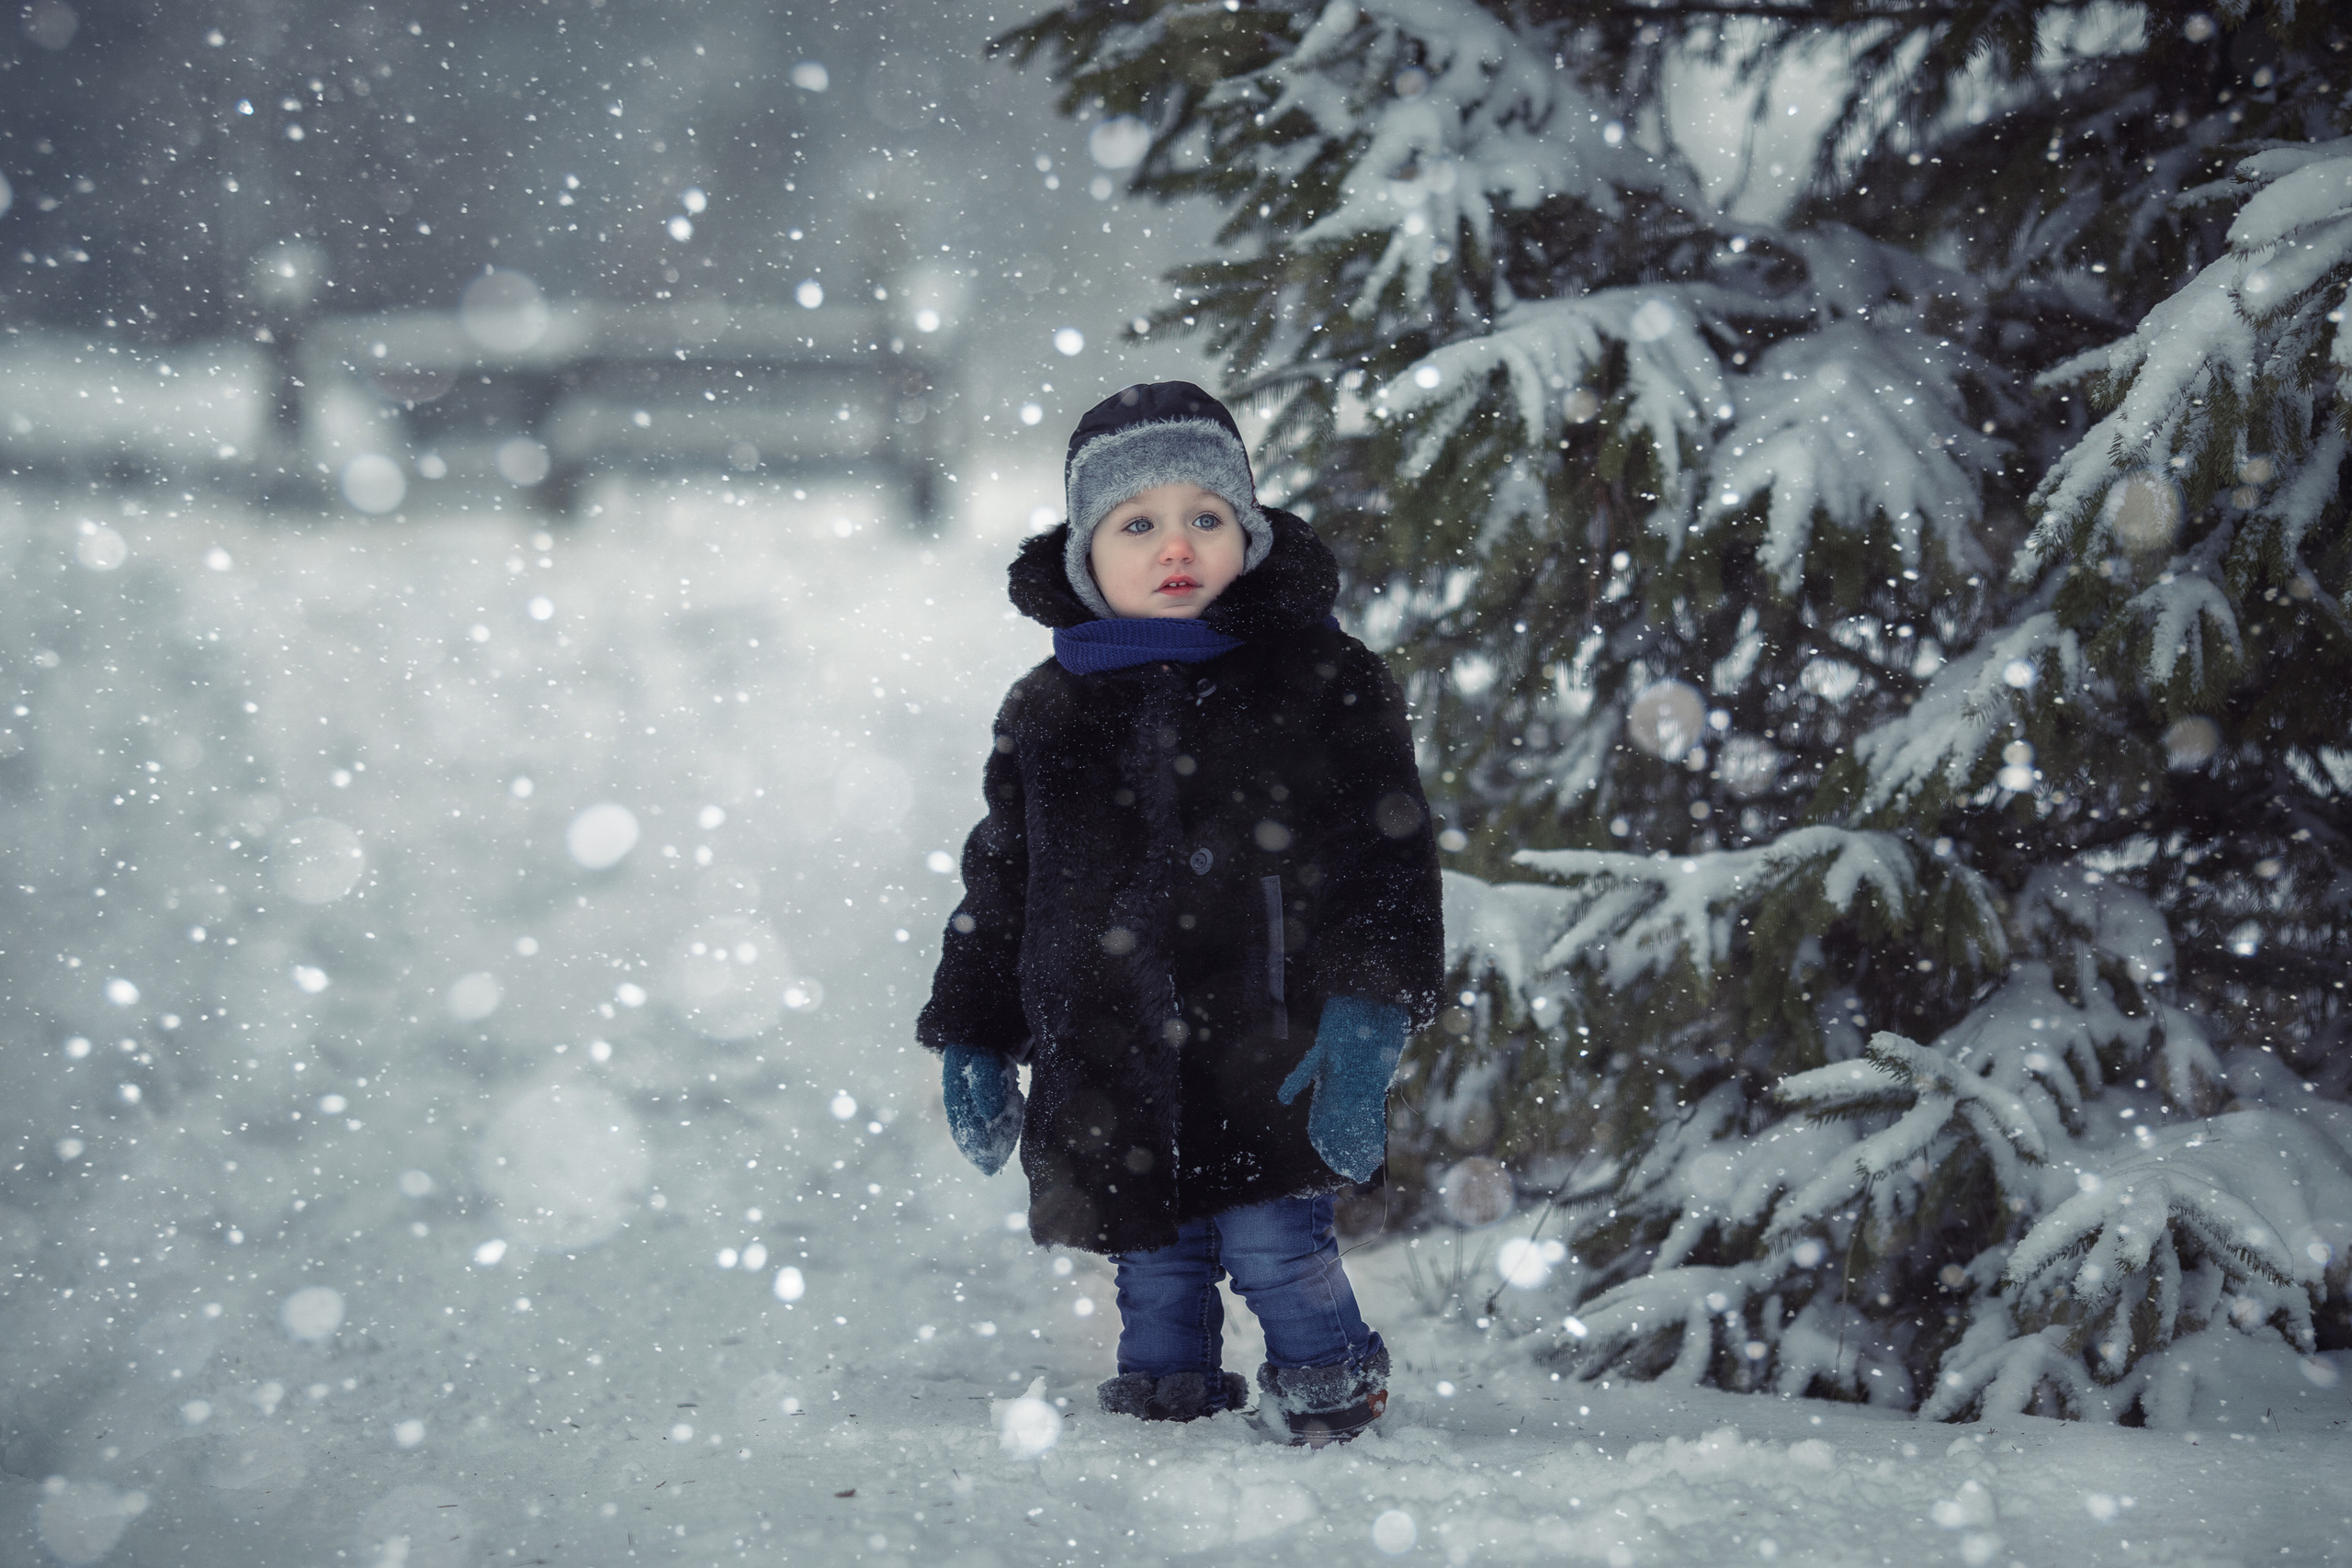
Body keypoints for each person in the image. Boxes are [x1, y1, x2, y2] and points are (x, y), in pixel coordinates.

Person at [916, 381, 1443, 1445]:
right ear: (1085, 555)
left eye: (1206, 516)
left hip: (1270, 1038)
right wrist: (974, 1031)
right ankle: (1165, 1399)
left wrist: (1368, 1010)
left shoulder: (1321, 681)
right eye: (1137, 523)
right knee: (1150, 1252)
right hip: (1106, 1047)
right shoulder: (1049, 708)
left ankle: (1331, 1384)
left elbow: (1383, 857)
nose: (1176, 545)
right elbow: (1002, 879)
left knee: (1276, 1246)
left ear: (1246, 535)